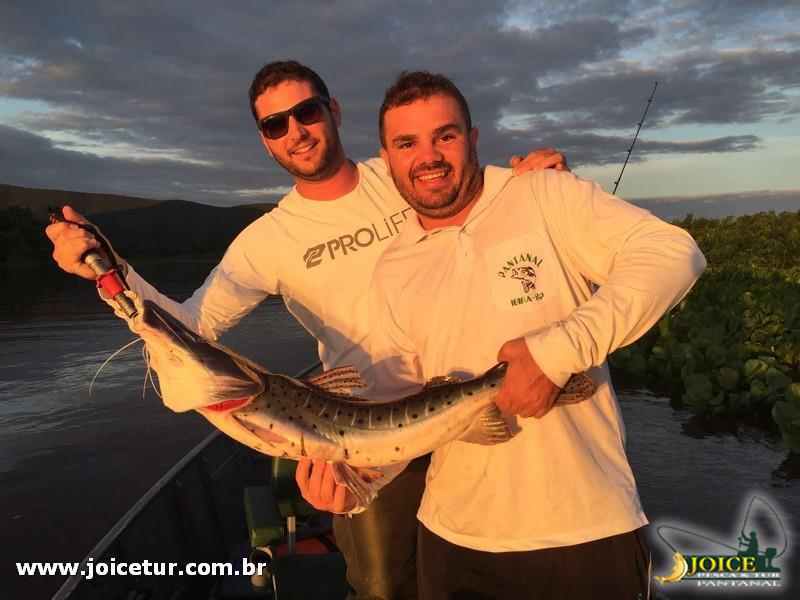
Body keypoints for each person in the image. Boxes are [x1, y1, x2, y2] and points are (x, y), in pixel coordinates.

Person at [45, 60, 567, 599]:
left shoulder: (404, 173)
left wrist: (536, 181)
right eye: (275, 124)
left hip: (474, 390)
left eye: (307, 112)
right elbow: (192, 328)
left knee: (508, 571)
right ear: (265, 140)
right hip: (365, 444)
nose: (295, 131)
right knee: (384, 589)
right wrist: (108, 268)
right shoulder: (266, 241)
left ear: (333, 111)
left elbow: (487, 197)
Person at [366, 71, 707, 598]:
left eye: (445, 136)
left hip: (587, 530)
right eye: (407, 143)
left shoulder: (547, 192)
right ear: (386, 159)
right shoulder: (391, 267)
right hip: (451, 539)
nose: (428, 157)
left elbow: (673, 254)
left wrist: (556, 353)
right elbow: (397, 410)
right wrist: (351, 481)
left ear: (472, 138)